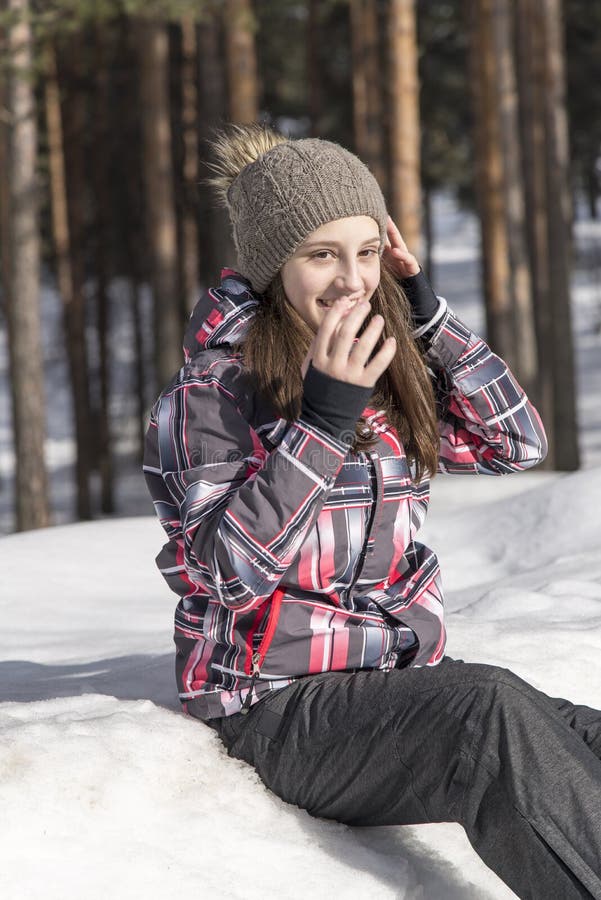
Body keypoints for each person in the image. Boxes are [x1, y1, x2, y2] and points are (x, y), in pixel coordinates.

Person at [143, 122, 601, 899]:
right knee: (485, 713)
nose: (350, 279)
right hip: (273, 705)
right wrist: (318, 428)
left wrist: (428, 318)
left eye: (364, 252)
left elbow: (514, 444)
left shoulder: (383, 362)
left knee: (582, 733)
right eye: (320, 254)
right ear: (270, 265)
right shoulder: (209, 396)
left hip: (395, 675)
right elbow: (220, 573)